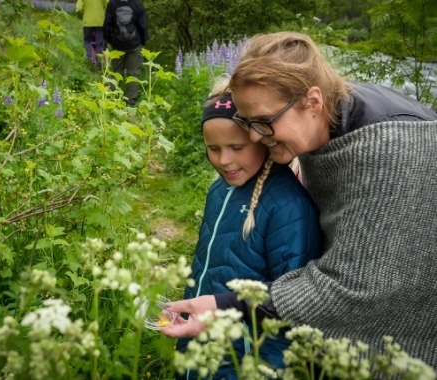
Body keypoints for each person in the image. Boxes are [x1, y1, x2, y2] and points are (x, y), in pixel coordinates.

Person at [163, 31, 437, 369]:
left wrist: (227, 305)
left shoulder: (391, 151)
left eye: (263, 122)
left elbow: (357, 287)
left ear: (313, 101)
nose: (252, 137)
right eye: (247, 123)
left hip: (406, 348)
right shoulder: (331, 116)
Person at [172, 91, 321, 379]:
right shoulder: (218, 190)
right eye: (213, 148)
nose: (224, 160)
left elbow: (291, 301)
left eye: (236, 147)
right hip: (199, 330)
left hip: (247, 354)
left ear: (261, 140)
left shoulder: (287, 206)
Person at [103, 0, 148, 106]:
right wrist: (143, 41)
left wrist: (110, 40)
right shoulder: (137, 4)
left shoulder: (112, 3)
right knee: (133, 74)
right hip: (135, 45)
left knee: (115, 73)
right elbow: (143, 25)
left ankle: (113, 100)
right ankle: (131, 102)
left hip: (117, 44)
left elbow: (107, 25)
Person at [75, 0, 108, 70]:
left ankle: (91, 59)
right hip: (100, 22)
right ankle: (100, 64)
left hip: (87, 22)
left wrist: (82, 16)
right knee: (100, 43)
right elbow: (108, 4)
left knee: (87, 41)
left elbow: (79, 8)